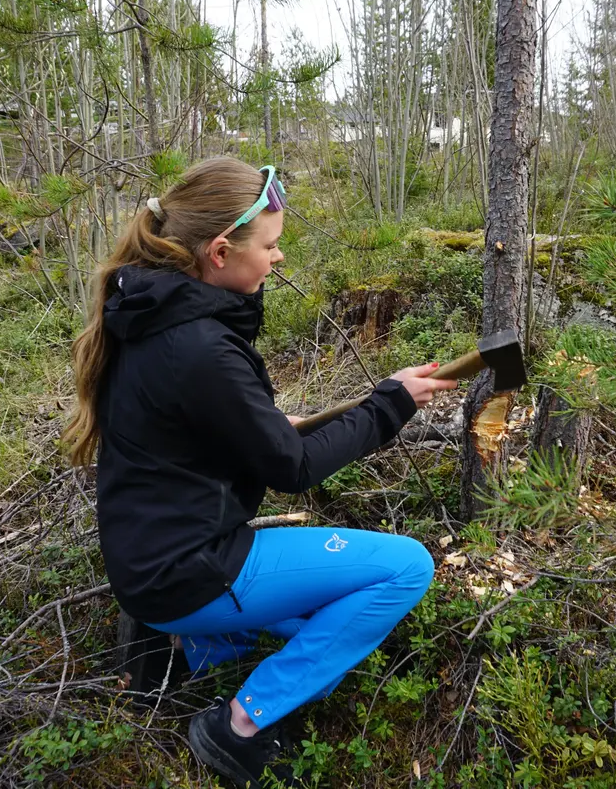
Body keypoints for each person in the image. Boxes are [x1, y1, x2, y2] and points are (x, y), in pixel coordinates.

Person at [63, 156, 456, 788]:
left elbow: (197, 431)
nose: (278, 260)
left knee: (314, 625)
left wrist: (267, 420)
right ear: (219, 252)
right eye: (270, 246)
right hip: (189, 571)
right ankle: (238, 726)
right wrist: (393, 405)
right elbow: (293, 468)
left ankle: (194, 644)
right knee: (405, 569)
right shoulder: (199, 349)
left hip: (147, 564)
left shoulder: (148, 312)